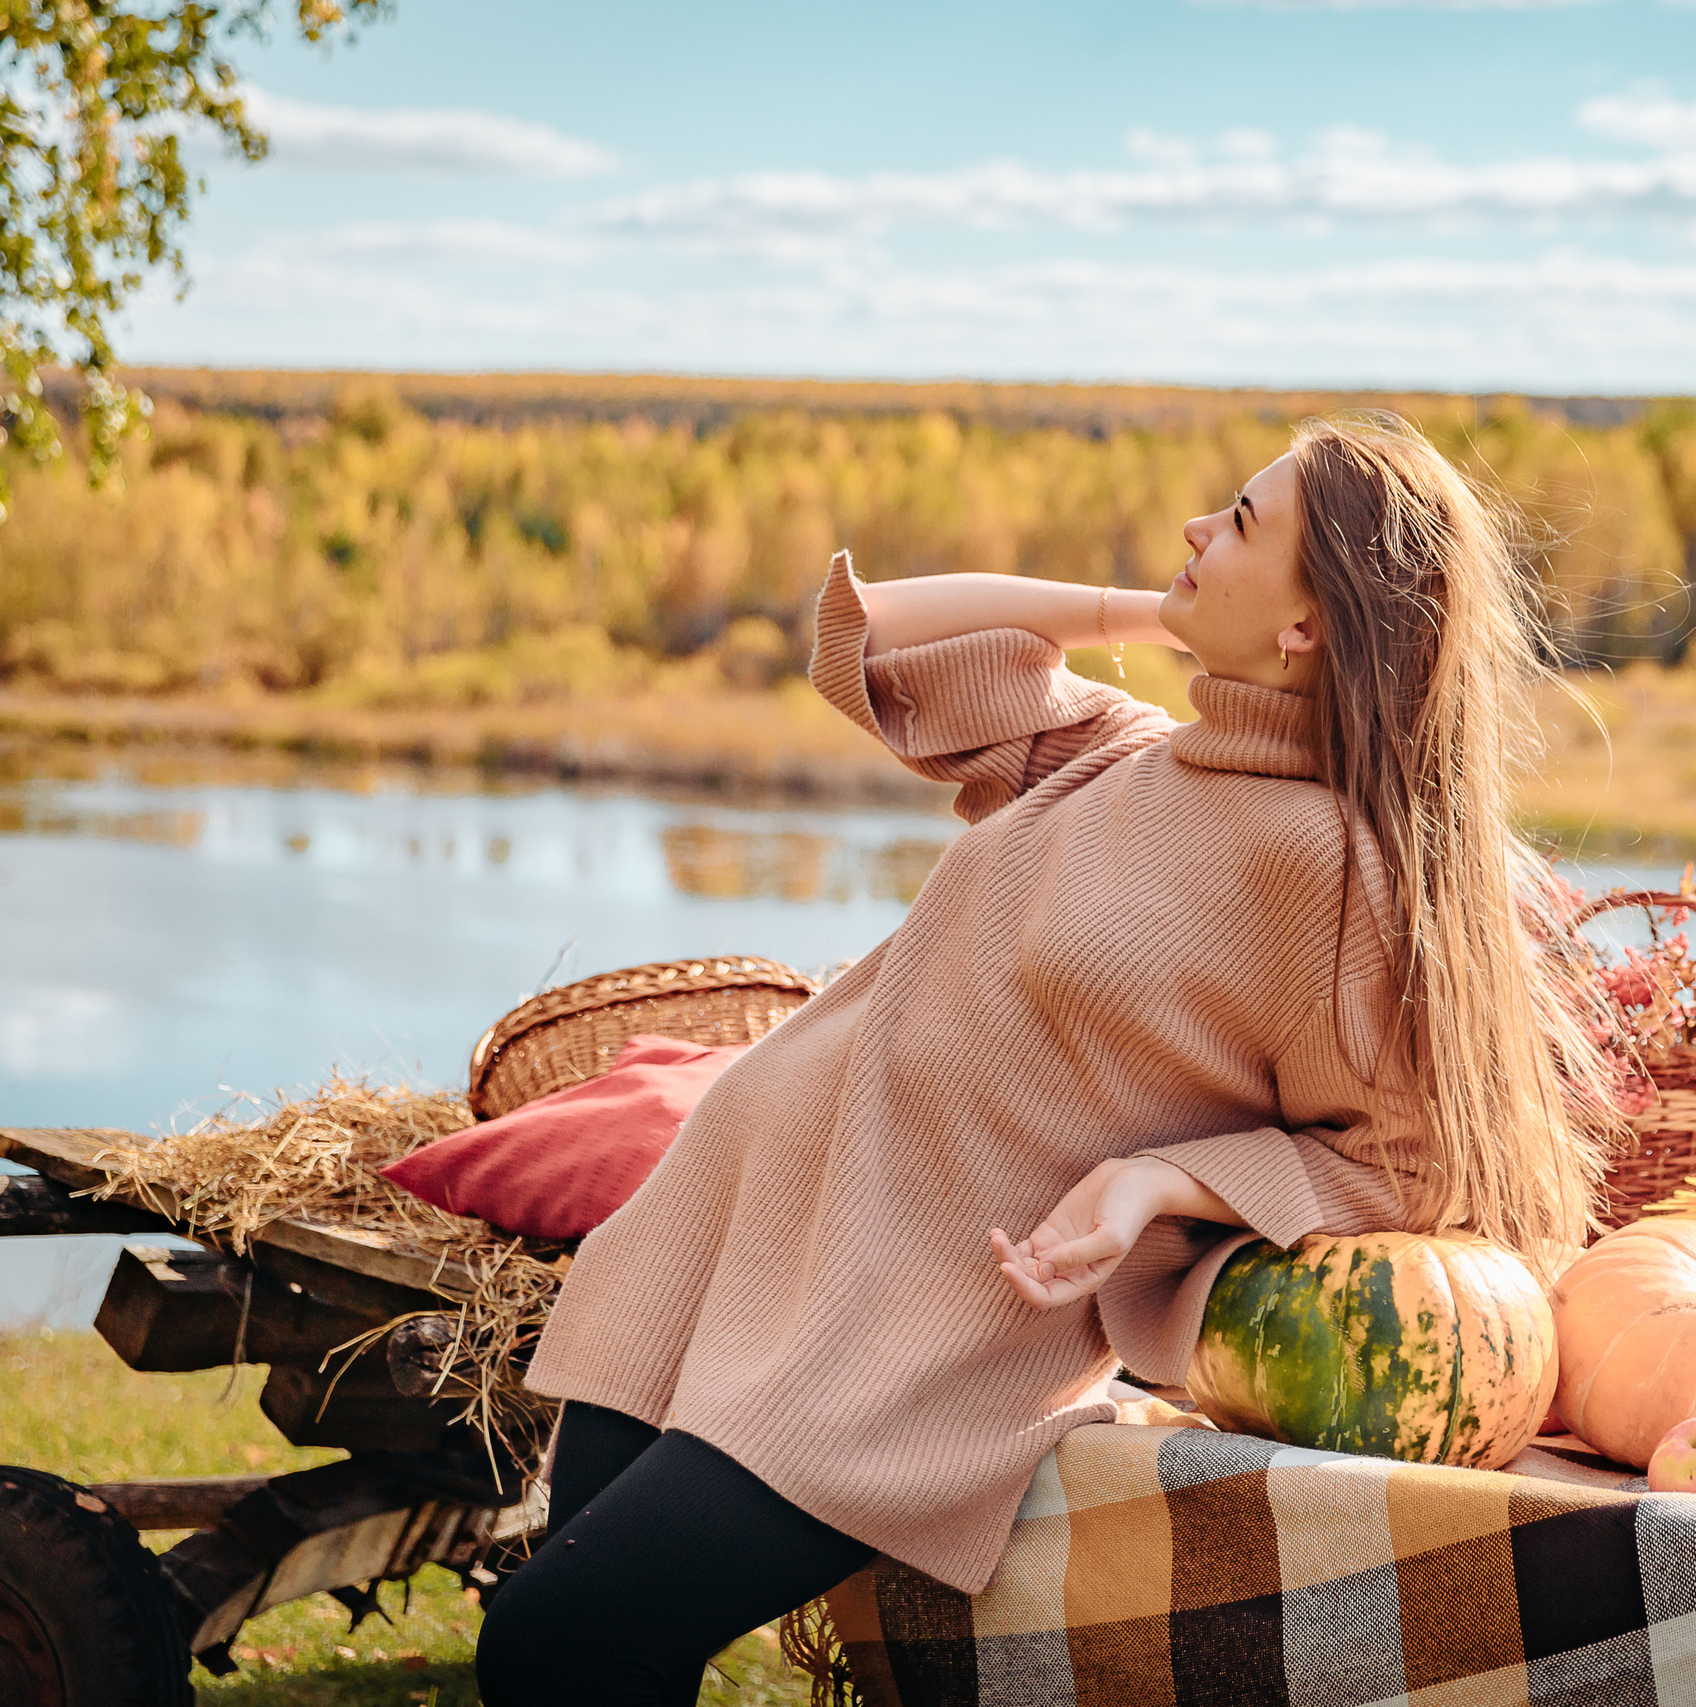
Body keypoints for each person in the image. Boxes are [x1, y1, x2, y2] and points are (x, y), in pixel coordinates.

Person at [473, 413, 1620, 1706]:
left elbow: (1418, 1169)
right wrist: (1165, 603)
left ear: (1308, 625)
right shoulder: (1113, 755)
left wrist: (1161, 1184)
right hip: (724, 1235)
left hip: (905, 1334)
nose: (1197, 527)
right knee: (579, 1653)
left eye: (1239, 525)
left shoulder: (1335, 874)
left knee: (552, 1644)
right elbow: (879, 630)